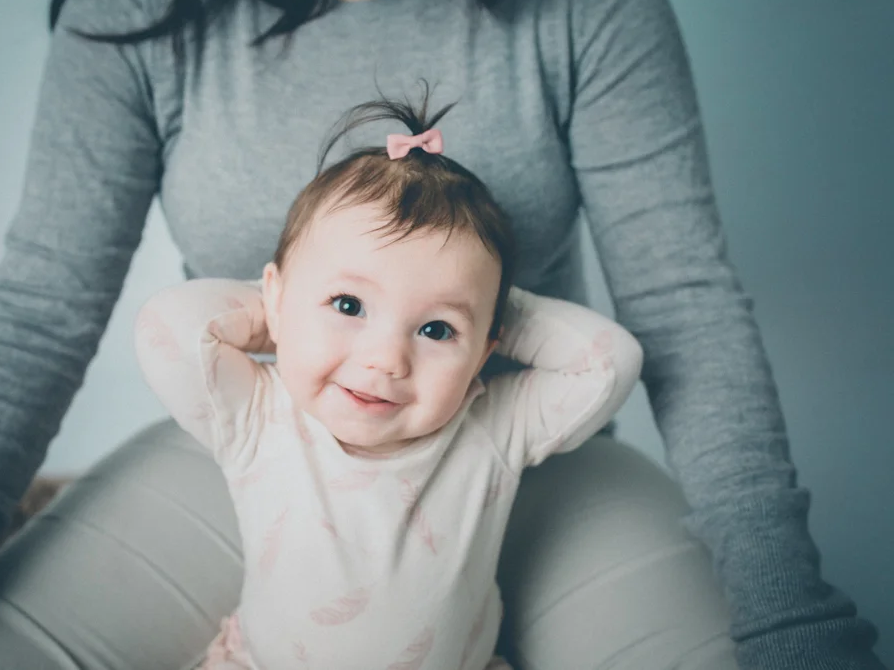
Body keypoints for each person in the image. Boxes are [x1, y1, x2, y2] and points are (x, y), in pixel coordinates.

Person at [0, 0, 884, 668]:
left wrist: (786, 610)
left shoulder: (589, 4)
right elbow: (39, 314)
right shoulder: (137, 9)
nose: (383, 353)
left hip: (533, 462)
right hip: (254, 454)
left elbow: (682, 312)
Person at [133, 94, 643, 669]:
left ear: (485, 349)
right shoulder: (259, 412)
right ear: (276, 297)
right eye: (348, 304)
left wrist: (488, 303)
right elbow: (166, 327)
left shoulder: (494, 427)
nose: (386, 360)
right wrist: (285, 312)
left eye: (435, 329)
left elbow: (611, 361)